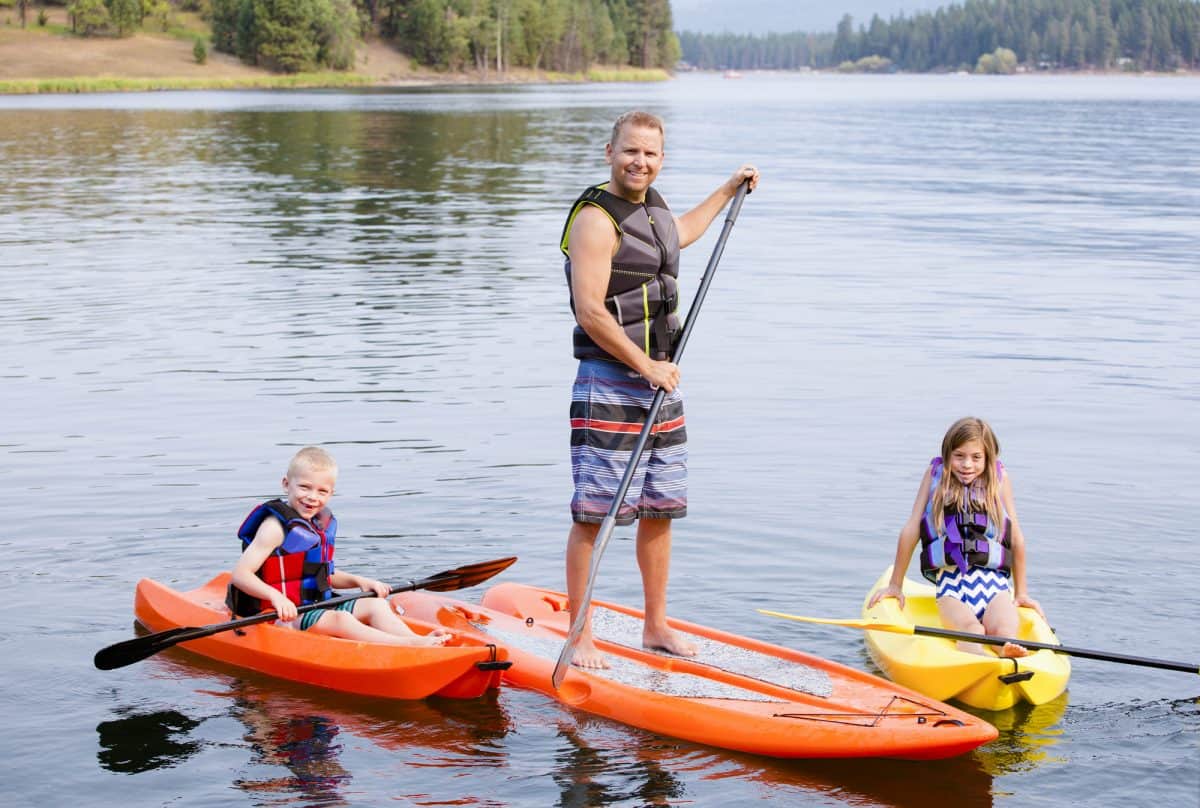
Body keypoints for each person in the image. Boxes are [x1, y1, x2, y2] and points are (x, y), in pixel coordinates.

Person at [561, 110, 760, 669]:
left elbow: (683, 234)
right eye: (630, 151)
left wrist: (727, 190)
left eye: (650, 154)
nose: (639, 162)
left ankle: (655, 627)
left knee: (660, 508)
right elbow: (591, 311)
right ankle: (580, 634)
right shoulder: (595, 220)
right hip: (612, 383)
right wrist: (646, 365)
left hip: (660, 381)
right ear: (609, 151)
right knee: (594, 515)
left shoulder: (654, 205)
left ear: (661, 158)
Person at [228, 446, 449, 646]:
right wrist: (277, 598)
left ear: (331, 493)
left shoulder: (318, 524)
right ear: (286, 484)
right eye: (304, 487)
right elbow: (241, 575)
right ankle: (407, 646)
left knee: (376, 605)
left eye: (321, 491)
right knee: (341, 619)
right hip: (282, 615)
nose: (312, 497)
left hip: (317, 605)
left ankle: (417, 639)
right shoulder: (274, 528)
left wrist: (358, 581)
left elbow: (321, 574)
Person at [868, 417, 1043, 657]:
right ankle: (976, 655)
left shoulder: (999, 480)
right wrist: (895, 585)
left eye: (976, 457)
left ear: (988, 457)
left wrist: (1021, 592)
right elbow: (911, 529)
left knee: (1005, 627)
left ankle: (1006, 649)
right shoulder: (934, 476)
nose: (967, 464)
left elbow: (1016, 537)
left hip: (995, 586)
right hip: (951, 587)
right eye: (959, 456)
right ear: (948, 454)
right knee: (970, 629)